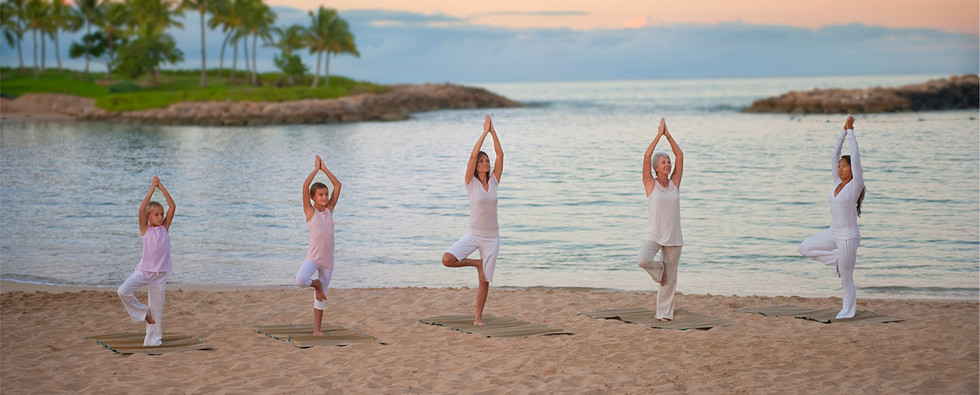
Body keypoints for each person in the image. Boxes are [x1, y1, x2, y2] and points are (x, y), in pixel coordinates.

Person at [798, 115, 865, 319]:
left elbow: (856, 155)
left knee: (846, 278)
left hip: (847, 237)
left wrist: (852, 132)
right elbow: (834, 155)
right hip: (833, 233)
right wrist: (842, 132)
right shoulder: (837, 182)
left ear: (852, 170)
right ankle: (836, 260)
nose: (840, 168)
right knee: (804, 248)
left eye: (845, 166)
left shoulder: (855, 186)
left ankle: (848, 311)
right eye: (840, 166)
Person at [442, 114, 503, 326]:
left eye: (487, 160)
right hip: (473, 234)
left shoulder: (494, 181)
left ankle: (478, 318)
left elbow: (501, 154)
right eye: (482, 161)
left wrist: (494, 132)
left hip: (492, 237)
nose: (485, 163)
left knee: (485, 280)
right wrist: (484, 132)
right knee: (447, 259)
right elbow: (471, 156)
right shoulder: (470, 183)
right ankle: (476, 263)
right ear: (476, 166)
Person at [117, 176, 176, 346]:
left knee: (157, 310)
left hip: (160, 275)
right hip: (144, 271)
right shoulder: (145, 230)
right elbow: (142, 208)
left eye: (161, 214)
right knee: (122, 291)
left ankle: (153, 341)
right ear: (148, 217)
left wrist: (162, 189)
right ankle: (143, 313)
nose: (160, 217)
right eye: (156, 215)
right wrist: (151, 190)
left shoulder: (165, 228)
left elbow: (173, 206)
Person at [637, 117, 684, 321]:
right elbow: (646, 157)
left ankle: (664, 314)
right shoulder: (650, 183)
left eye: (668, 162)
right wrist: (658, 135)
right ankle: (659, 271)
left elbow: (680, 155)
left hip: (673, 235)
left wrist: (668, 135)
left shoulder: (674, 182)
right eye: (664, 162)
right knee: (643, 260)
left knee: (670, 280)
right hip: (654, 233)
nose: (668, 164)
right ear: (656, 167)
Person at [296, 154, 342, 336]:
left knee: (321, 298)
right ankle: (316, 285)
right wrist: (316, 170)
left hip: (328, 261)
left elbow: (338, 185)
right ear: (312, 197)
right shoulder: (310, 212)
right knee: (301, 280)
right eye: (320, 195)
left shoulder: (329, 211)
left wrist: (325, 169)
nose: (324, 197)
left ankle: (317, 330)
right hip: (313, 258)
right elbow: (305, 186)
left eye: (326, 194)